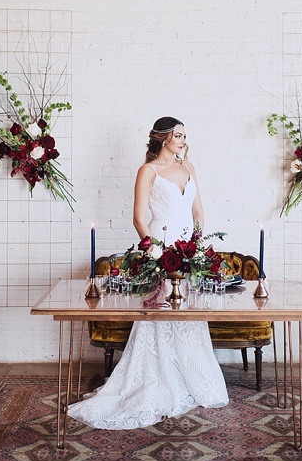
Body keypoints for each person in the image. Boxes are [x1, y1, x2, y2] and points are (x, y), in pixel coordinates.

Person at [67, 116, 229, 430]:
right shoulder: (149, 170)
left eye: (184, 135)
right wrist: (155, 249)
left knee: (188, 315)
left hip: (187, 250)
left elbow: (198, 211)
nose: (183, 139)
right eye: (178, 135)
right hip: (160, 248)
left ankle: (193, 378)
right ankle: (158, 379)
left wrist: (195, 244)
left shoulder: (189, 168)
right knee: (161, 313)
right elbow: (138, 217)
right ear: (163, 138)